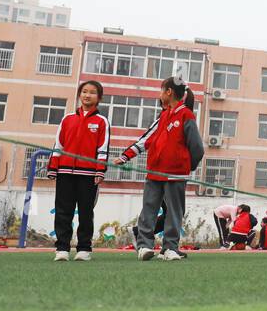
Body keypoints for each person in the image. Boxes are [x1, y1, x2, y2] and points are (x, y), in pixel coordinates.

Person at [114, 76, 204, 261]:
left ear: (168, 92)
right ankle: (144, 246)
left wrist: (186, 167)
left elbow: (197, 148)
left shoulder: (186, 115)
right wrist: (125, 156)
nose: (160, 94)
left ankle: (170, 247)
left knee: (174, 211)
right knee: (149, 209)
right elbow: (148, 140)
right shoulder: (163, 116)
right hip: (154, 172)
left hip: (175, 174)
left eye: (161, 90)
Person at [47, 80, 110, 262]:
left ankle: (84, 249)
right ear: (79, 95)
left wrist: (100, 171)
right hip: (65, 172)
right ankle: (62, 248)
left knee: (85, 212)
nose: (87, 95)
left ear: (99, 98)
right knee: (63, 211)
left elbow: (103, 148)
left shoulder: (101, 121)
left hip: (88, 175)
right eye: (84, 91)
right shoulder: (67, 119)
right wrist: (53, 167)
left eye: (92, 92)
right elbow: (58, 145)